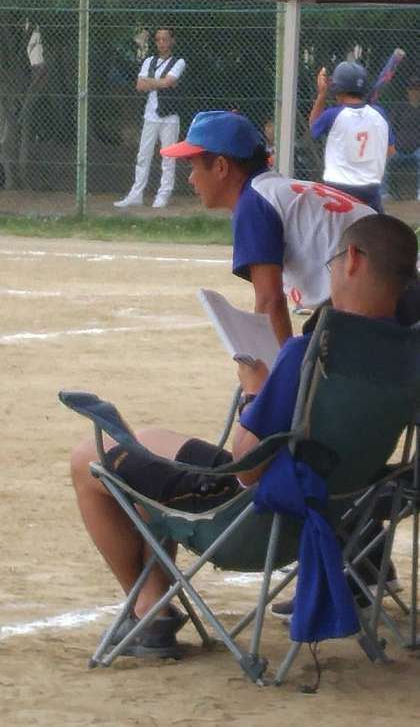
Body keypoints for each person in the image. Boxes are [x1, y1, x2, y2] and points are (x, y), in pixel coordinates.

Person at [70, 213, 418, 654]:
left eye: (332, 263)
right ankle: (153, 607)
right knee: (149, 440)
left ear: (352, 259)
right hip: (335, 513)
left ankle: (149, 611)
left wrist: (256, 392)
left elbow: (246, 470)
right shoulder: (409, 357)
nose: (330, 273)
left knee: (90, 458)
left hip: (251, 521)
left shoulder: (309, 353)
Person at [160, 109, 374, 346]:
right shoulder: (272, 190)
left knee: (302, 355)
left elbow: (270, 302)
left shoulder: (254, 203)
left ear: (221, 167)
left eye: (194, 166)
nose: (191, 178)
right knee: (311, 341)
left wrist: (278, 366)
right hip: (385, 286)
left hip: (375, 297)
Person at [114, 27, 186, 210]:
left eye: (165, 39)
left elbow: (169, 82)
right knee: (143, 155)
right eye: (158, 40)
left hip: (169, 116)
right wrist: (161, 83)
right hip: (151, 115)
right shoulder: (149, 61)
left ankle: (163, 194)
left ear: (172, 41)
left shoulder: (179, 62)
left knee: (168, 156)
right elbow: (140, 85)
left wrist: (152, 82)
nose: (161, 43)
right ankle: (136, 193)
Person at [309, 61, 396, 212]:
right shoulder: (379, 114)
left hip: (337, 189)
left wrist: (322, 94)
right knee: (372, 226)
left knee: (334, 226)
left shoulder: (333, 115)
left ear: (337, 87)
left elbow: (313, 126)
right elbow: (390, 151)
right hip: (370, 190)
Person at [382, 75, 420, 202]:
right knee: (384, 160)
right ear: (407, 91)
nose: (414, 92)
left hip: (417, 150)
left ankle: (419, 192)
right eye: (412, 88)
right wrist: (392, 145)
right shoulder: (400, 107)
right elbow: (391, 128)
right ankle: (387, 192)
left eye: (417, 88)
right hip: (398, 148)